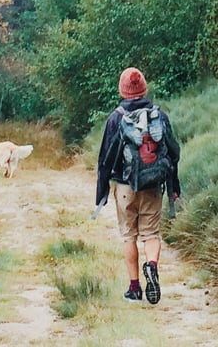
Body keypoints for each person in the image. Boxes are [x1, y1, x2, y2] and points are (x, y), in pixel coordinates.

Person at [95, 66, 181, 305]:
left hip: (125, 188)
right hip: (153, 184)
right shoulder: (159, 115)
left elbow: (105, 160)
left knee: (128, 236)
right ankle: (151, 266)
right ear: (144, 88)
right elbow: (173, 153)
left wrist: (101, 193)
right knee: (151, 234)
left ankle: (134, 289)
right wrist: (175, 186)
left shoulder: (116, 117)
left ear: (122, 90)